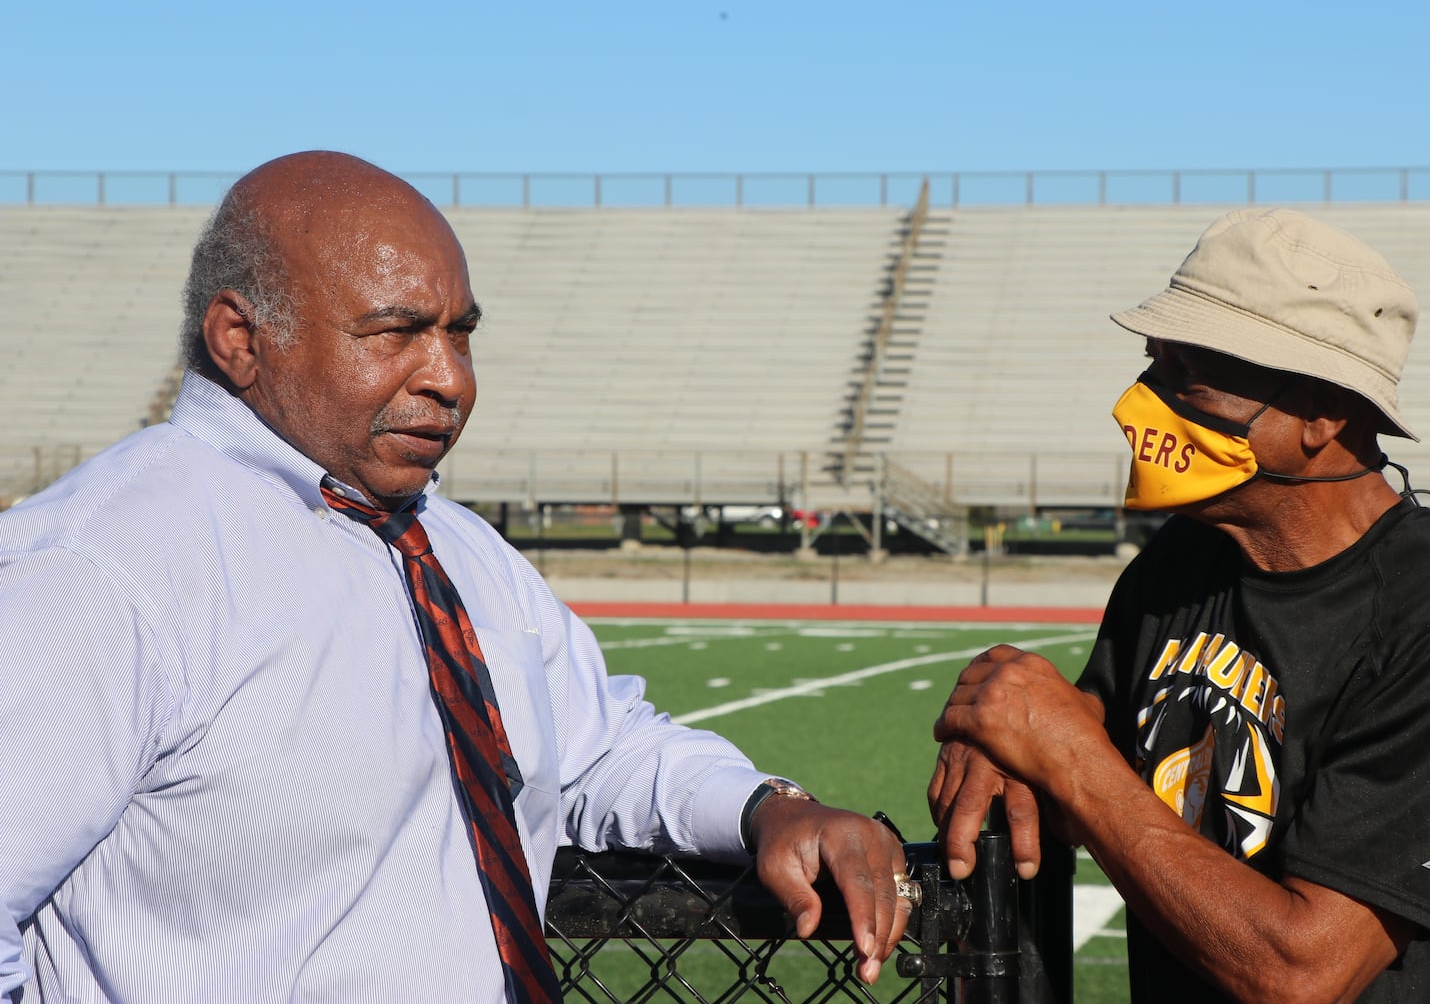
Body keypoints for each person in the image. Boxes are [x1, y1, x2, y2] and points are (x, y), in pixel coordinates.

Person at [0, 151, 912, 1003]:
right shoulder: (98, 568)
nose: (449, 378)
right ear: (241, 338)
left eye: (459, 334)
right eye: (395, 333)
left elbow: (597, 744)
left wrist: (765, 808)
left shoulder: (457, 548)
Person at [929, 207, 1430, 1002]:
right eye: (1153, 362)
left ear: (1322, 414)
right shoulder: (1181, 562)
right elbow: (1076, 734)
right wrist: (1005, 740)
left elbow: (1301, 971)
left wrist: (1062, 753)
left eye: (1187, 372)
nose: (1143, 401)